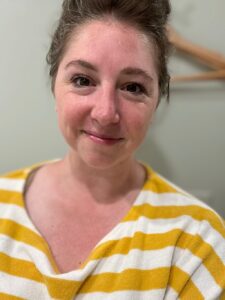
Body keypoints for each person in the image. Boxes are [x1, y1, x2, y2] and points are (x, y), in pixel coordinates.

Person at [0, 0, 224, 299]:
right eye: (82, 80)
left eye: (133, 87)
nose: (105, 113)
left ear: (157, 101)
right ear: (55, 85)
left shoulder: (198, 241)